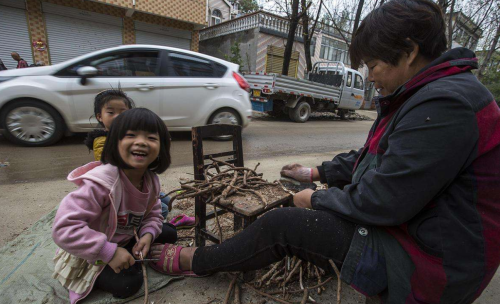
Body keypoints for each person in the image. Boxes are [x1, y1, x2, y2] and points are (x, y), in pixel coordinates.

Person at [148, 0, 500, 302]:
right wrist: (318, 174)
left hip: (432, 262)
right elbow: (377, 158)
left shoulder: (445, 103)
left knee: (284, 224)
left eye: (374, 66)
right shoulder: (427, 93)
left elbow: (382, 202)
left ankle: (198, 260)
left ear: (409, 52)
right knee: (300, 202)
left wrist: (315, 199)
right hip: (421, 232)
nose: (370, 77)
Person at [52, 108, 177, 303]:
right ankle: (117, 259)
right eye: (131, 135)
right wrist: (108, 252)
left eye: (151, 138)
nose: (142, 142)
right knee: (128, 283)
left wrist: (147, 235)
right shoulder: (100, 184)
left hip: (126, 234)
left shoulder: (151, 181)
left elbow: (153, 212)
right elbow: (64, 229)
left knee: (170, 233)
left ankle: (130, 249)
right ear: (114, 143)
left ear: (162, 148)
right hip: (91, 248)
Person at [84, 88, 172, 219]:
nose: (117, 116)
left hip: (136, 182)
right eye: (110, 112)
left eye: (122, 112)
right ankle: (131, 228)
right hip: (117, 186)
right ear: (99, 116)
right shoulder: (101, 141)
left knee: (167, 200)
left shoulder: (151, 179)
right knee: (163, 210)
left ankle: (148, 227)